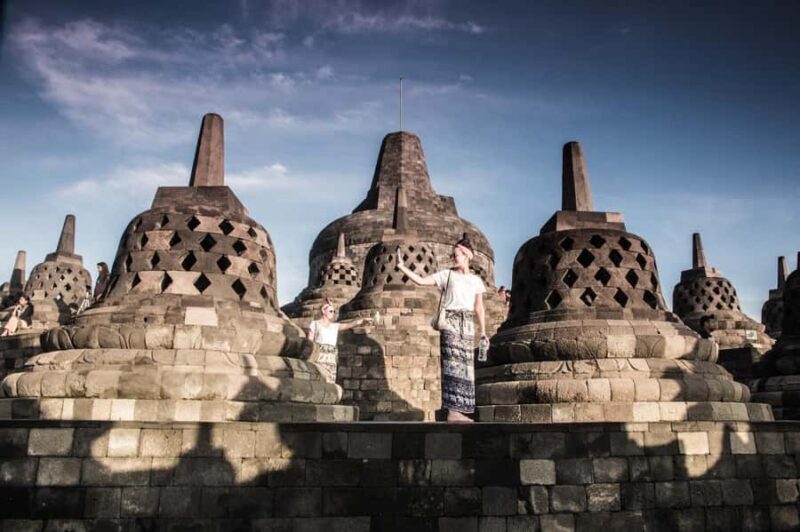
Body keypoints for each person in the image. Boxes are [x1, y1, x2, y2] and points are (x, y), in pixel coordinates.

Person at [396, 233, 487, 423]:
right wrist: (402, 267)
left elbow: (479, 307)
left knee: (465, 367)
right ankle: (452, 411)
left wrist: (484, 332)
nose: (454, 258)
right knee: (452, 364)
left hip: (467, 324)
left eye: (457, 255)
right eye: (453, 255)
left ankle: (461, 410)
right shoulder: (447, 275)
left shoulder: (476, 281)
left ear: (467, 256)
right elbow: (421, 281)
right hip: (450, 322)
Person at [306, 301, 369, 383]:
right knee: (317, 381)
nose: (333, 313)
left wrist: (362, 320)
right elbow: (309, 342)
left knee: (330, 382)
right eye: (330, 311)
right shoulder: (315, 324)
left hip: (331, 359)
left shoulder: (335, 326)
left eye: (334, 311)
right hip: (319, 357)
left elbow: (349, 325)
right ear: (323, 311)